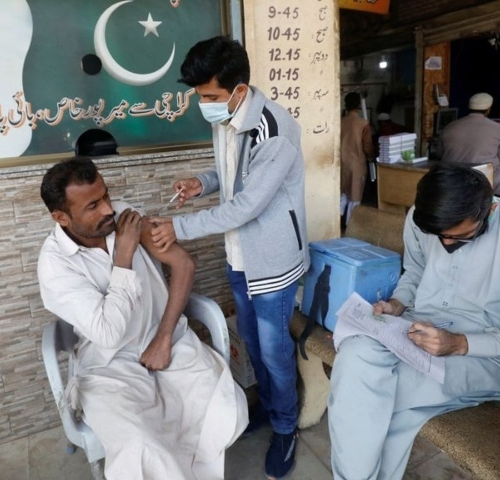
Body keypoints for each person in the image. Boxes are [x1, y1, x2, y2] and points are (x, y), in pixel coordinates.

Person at [148, 35, 308, 479]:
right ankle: (271, 408)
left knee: (275, 349)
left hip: (272, 258)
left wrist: (178, 227)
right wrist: (202, 182)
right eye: (200, 96)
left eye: (210, 96)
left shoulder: (274, 131)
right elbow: (231, 174)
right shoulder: (228, 117)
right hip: (240, 254)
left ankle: (286, 426)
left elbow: (248, 205)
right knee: (253, 341)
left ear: (238, 90)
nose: (204, 105)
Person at [328, 164, 500, 480]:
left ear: (490, 210)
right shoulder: (421, 218)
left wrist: (459, 343)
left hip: (495, 358)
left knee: (371, 398)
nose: (446, 245)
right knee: (354, 355)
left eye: (459, 236)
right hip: (421, 330)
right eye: (440, 236)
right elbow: (416, 271)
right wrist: (397, 303)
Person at [37, 158, 248, 480]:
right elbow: (108, 333)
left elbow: (183, 265)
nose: (108, 209)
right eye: (93, 205)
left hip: (167, 338)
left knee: (221, 408)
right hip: (109, 363)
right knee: (140, 446)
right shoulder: (55, 266)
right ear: (61, 217)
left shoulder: (123, 216)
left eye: (106, 196)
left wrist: (163, 339)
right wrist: (124, 253)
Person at [438, 92, 500, 205]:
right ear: (488, 109)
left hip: (452, 173)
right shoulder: (497, 128)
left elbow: (440, 153)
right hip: (482, 174)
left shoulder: (450, 126)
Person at [340, 92, 375, 224]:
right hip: (357, 165)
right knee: (355, 197)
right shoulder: (363, 124)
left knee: (342, 195)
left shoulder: (340, 122)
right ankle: (350, 229)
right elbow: (367, 146)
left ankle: (335, 226)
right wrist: (372, 157)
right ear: (359, 105)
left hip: (342, 164)